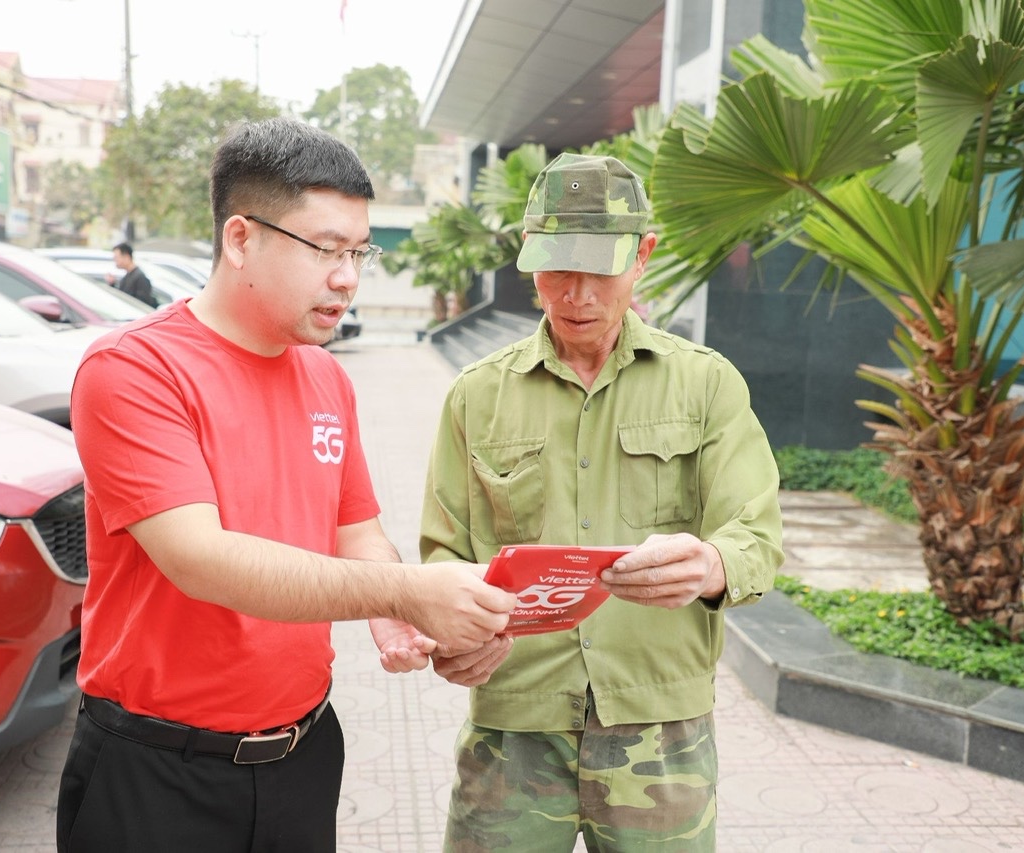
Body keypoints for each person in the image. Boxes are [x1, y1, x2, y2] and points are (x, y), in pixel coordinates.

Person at [56, 117, 515, 853]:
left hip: (303, 751)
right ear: (241, 238)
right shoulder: (134, 371)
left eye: (359, 251)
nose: (348, 277)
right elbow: (201, 559)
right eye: (326, 249)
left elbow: (356, 530)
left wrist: (399, 610)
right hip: (157, 770)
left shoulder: (325, 374)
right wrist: (403, 590)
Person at [419, 153, 785, 851]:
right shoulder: (477, 394)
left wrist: (709, 562)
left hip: (660, 731)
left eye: (601, 268)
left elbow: (756, 538)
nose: (576, 294)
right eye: (557, 268)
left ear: (643, 255)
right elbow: (446, 554)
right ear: (530, 262)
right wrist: (446, 636)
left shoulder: (706, 385)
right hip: (514, 730)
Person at [110, 241, 157, 307]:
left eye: (116, 257)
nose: (115, 260)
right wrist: (112, 285)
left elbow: (142, 304)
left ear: (127, 257)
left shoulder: (140, 278)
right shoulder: (126, 277)